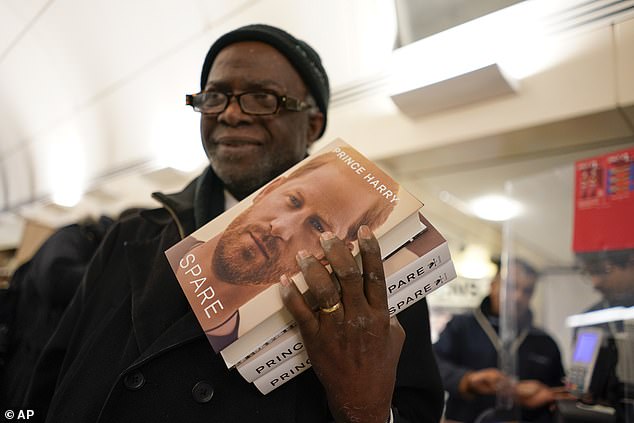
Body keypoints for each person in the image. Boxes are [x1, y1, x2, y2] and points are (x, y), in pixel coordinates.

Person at [23, 24, 444, 423]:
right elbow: (47, 377)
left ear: (313, 123)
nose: (231, 114)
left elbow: (414, 410)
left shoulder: (378, 271)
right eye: (214, 97)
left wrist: (364, 409)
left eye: (262, 98)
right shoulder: (132, 234)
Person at [172, 147, 398, 351]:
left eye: (317, 226)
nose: (280, 228)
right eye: (293, 200)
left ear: (327, 257)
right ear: (268, 190)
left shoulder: (263, 356)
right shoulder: (149, 236)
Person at [433, 258, 567, 422]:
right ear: (493, 285)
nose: (518, 296)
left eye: (527, 290)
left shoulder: (545, 342)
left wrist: (546, 395)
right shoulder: (461, 326)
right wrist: (468, 379)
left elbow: (559, 393)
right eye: (511, 287)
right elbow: (434, 364)